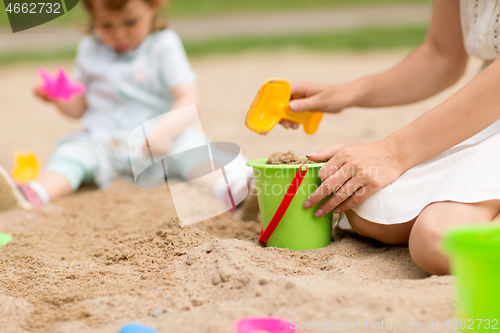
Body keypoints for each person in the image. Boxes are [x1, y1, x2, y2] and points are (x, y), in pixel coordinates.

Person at [283, 0, 500, 275]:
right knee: (369, 209)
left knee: (438, 240)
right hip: (486, 109)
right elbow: (441, 54)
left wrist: (393, 152)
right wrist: (344, 93)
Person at [0, 0, 250, 213]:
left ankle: (234, 188)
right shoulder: (90, 49)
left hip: (156, 144)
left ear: (154, 5)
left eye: (130, 22)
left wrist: (167, 130)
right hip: (103, 143)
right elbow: (80, 107)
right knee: (71, 155)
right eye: (106, 24)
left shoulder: (163, 45)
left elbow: (189, 99)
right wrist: (59, 98)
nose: (119, 34)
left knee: (193, 149)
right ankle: (35, 193)